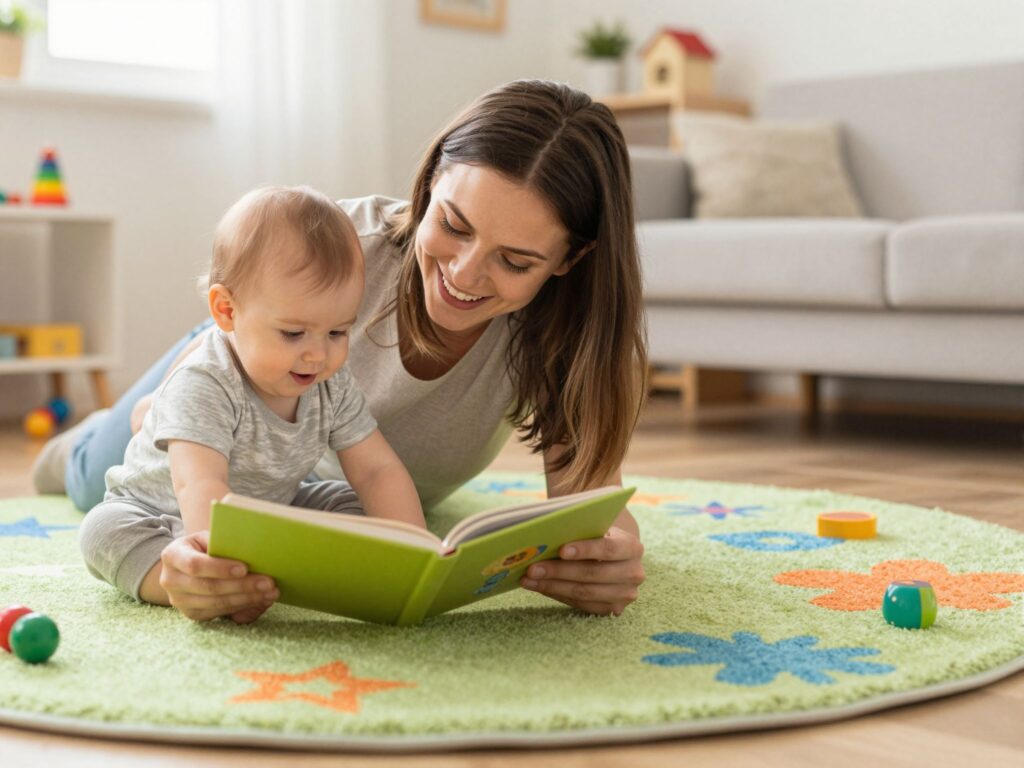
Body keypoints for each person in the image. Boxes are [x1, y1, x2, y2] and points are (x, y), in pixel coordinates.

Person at [35, 79, 648, 621]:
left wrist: (607, 555)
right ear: (432, 182)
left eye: (515, 261)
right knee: (97, 483)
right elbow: (225, 365)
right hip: (222, 389)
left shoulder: (569, 336)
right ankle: (86, 441)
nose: (464, 272)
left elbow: (591, 502)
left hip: (299, 477)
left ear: (571, 259)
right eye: (454, 225)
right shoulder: (343, 252)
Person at [77, 186, 426, 623]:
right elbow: (199, 487)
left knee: (346, 500)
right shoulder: (206, 382)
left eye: (337, 332)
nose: (318, 355)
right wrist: (221, 572)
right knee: (103, 531)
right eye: (294, 334)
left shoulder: (330, 381)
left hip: (269, 509)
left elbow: (377, 469)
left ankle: (282, 568)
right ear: (226, 311)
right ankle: (185, 585)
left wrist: (415, 551)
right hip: (166, 515)